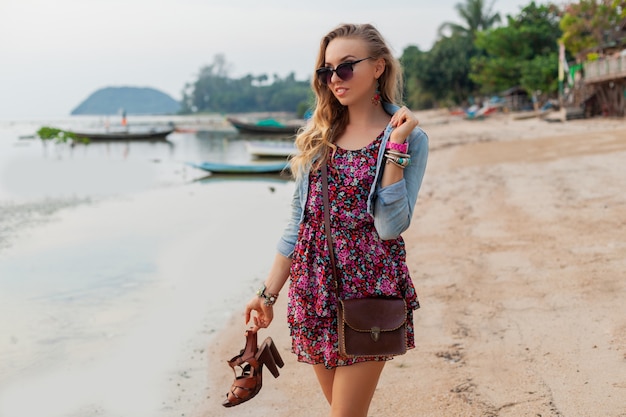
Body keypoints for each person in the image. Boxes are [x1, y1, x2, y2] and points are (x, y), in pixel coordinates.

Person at [243, 23, 428, 416]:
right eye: (326, 70)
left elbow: (390, 226)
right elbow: (300, 222)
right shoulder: (319, 134)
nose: (334, 79)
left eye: (346, 67)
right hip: (313, 289)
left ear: (378, 67)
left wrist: (395, 148)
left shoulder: (410, 137)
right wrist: (267, 294)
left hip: (370, 290)